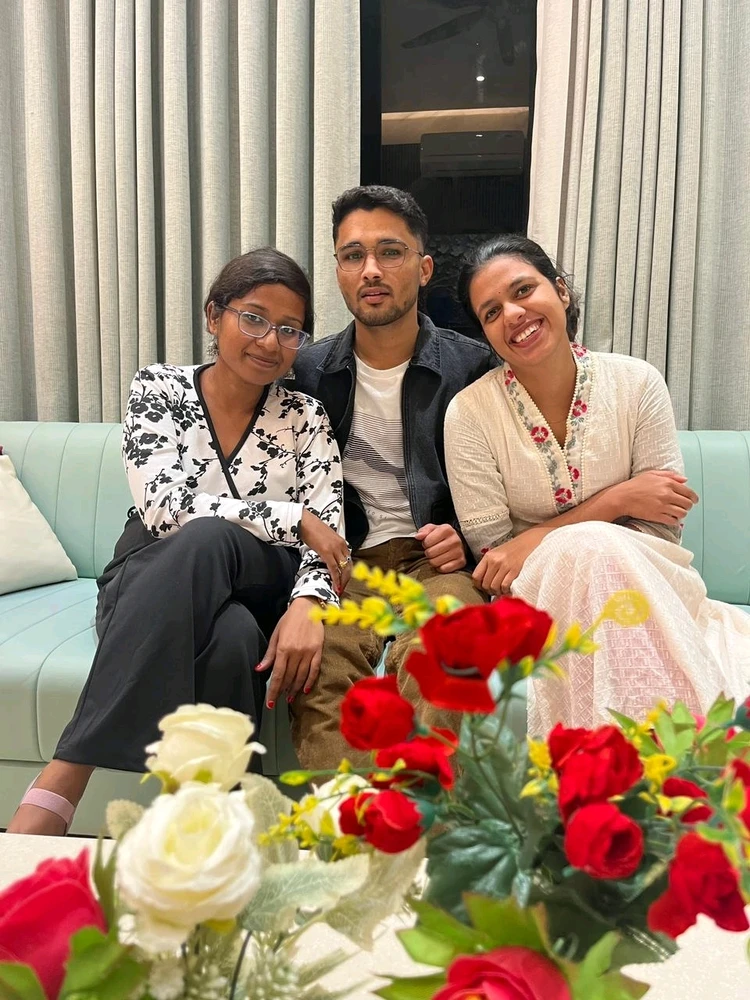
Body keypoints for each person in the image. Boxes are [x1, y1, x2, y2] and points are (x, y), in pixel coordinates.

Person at [8, 247, 349, 835]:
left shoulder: (305, 416)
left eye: (289, 329)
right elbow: (164, 509)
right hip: (152, 572)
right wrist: (291, 517)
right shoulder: (159, 387)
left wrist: (309, 602)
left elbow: (331, 536)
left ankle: (69, 770)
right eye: (254, 318)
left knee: (214, 538)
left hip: (260, 577)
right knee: (233, 637)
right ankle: (213, 830)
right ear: (214, 315)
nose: (270, 341)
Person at [444, 234, 750, 737]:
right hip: (536, 596)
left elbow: (663, 521)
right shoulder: (469, 414)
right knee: (587, 547)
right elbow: (497, 557)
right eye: (492, 312)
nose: (513, 314)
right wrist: (619, 499)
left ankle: (617, 762)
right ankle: (675, 757)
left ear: (561, 291)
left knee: (594, 549)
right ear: (485, 333)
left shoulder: (637, 382)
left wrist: (541, 535)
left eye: (524, 290)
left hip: (650, 576)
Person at [287, 185, 496, 769]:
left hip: (436, 563)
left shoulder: (471, 366)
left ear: (424, 268)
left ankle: (421, 808)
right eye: (353, 255)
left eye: (390, 252)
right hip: (343, 562)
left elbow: (507, 477)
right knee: (317, 670)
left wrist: (465, 535)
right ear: (338, 271)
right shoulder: (306, 370)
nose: (371, 270)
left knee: (448, 648)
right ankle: (347, 819)